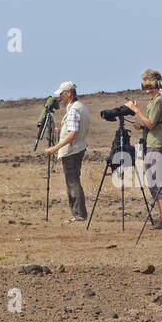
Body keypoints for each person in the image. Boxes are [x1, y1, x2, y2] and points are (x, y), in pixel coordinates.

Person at [125, 69, 162, 230]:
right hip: (151, 143)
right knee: (153, 182)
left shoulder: (158, 101)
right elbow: (150, 123)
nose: (148, 90)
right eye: (146, 86)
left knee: (157, 182)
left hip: (156, 145)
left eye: (150, 86)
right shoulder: (153, 101)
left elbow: (151, 123)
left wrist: (136, 111)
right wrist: (140, 123)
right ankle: (161, 217)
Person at [42, 82, 90, 221]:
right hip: (78, 148)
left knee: (73, 182)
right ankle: (78, 213)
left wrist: (54, 148)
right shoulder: (80, 107)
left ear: (69, 93)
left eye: (62, 94)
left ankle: (79, 214)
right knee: (73, 181)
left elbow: (73, 133)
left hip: (72, 150)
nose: (60, 97)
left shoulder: (74, 109)